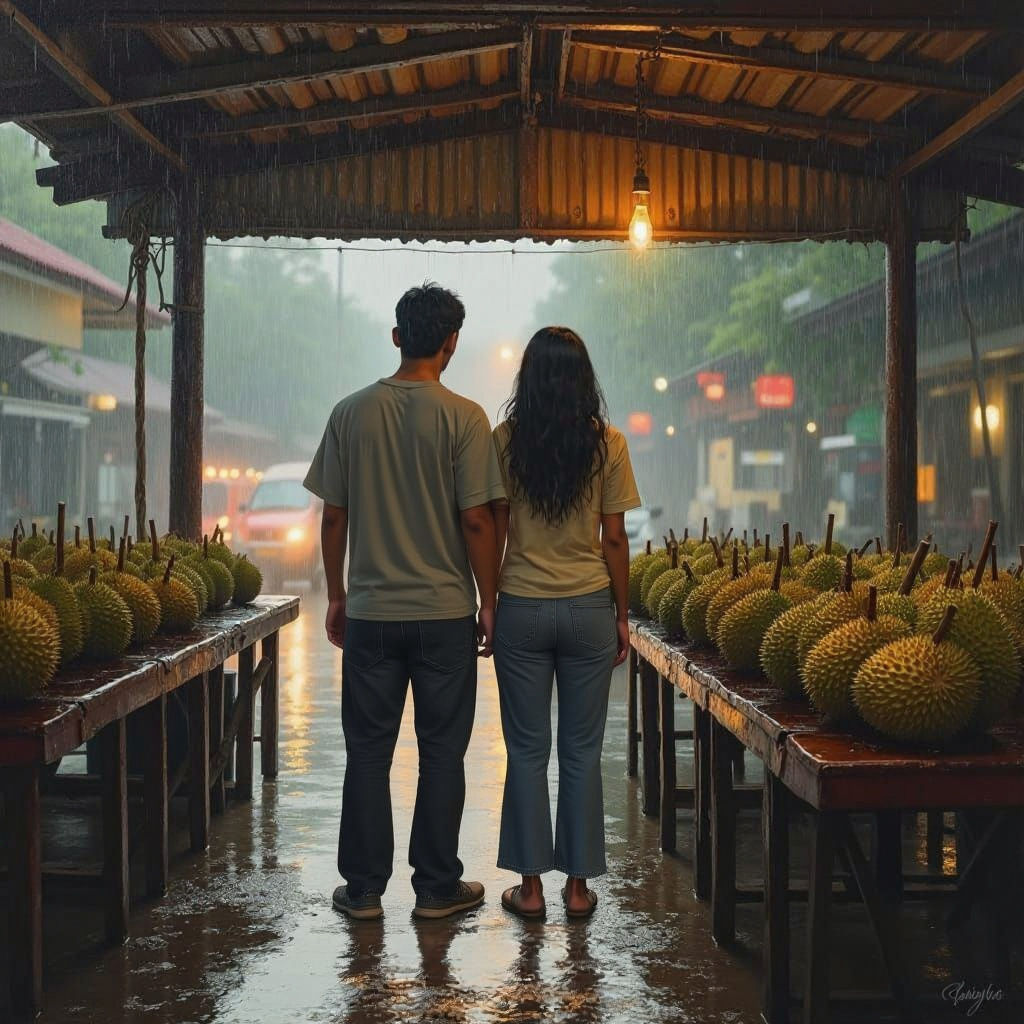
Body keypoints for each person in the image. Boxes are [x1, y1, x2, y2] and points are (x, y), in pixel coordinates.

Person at [304, 283, 505, 921]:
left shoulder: (349, 413)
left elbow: (333, 517)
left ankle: (363, 891)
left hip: (370, 614)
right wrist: (489, 600)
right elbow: (477, 521)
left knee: (368, 750)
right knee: (441, 751)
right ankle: (437, 888)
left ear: (397, 337)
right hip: (445, 615)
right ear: (451, 343)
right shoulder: (465, 417)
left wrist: (337, 595)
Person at [491, 326, 640, 919]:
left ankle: (529, 892)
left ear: (527, 378)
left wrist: (489, 601)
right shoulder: (609, 444)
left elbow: (495, 530)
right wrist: (622, 616)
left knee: (527, 750)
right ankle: (577, 890)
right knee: (581, 750)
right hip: (588, 610)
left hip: (521, 609)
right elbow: (615, 538)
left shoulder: (505, 442)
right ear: (585, 379)